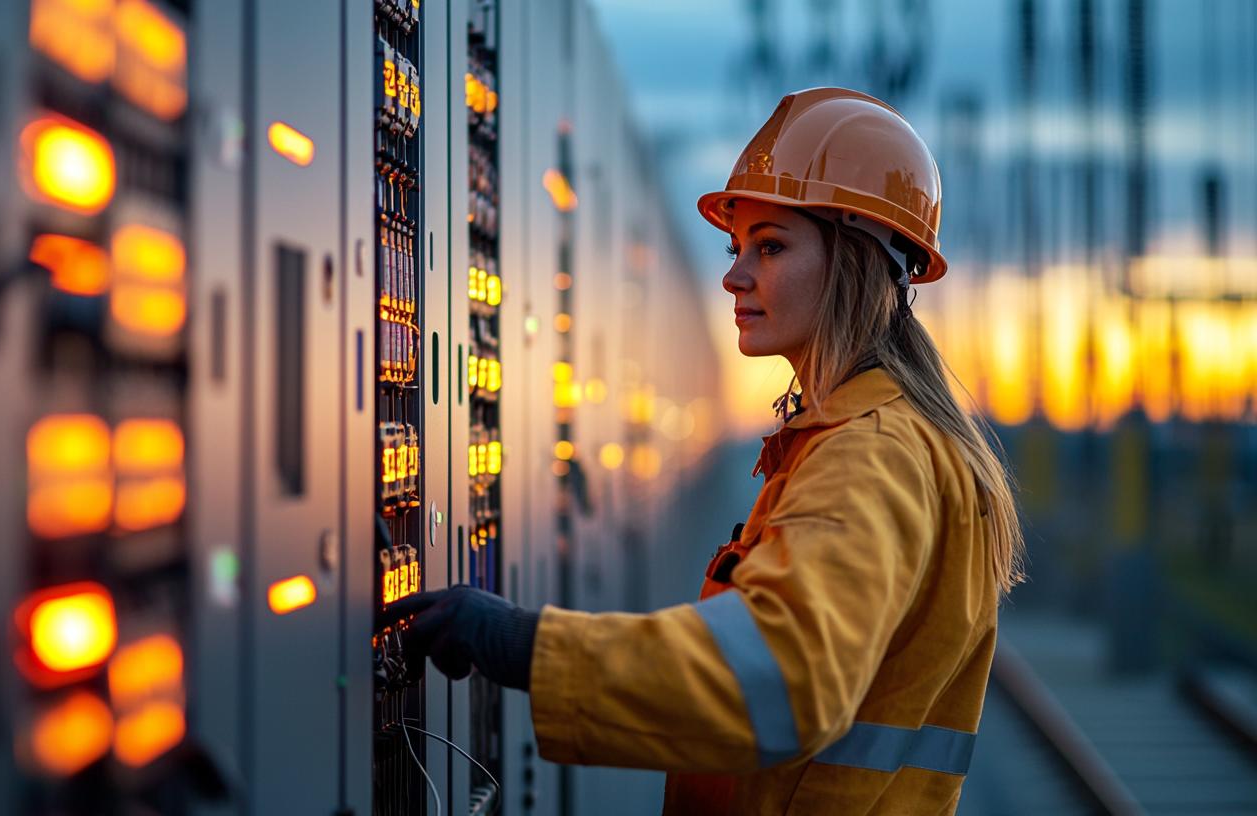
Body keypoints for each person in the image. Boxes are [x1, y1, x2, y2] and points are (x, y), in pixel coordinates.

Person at [381, 87, 1024, 815]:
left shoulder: (871, 454)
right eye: (736, 246)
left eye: (772, 246)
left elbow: (783, 673)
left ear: (856, 259)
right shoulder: (886, 437)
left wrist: (525, 644)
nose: (734, 276)